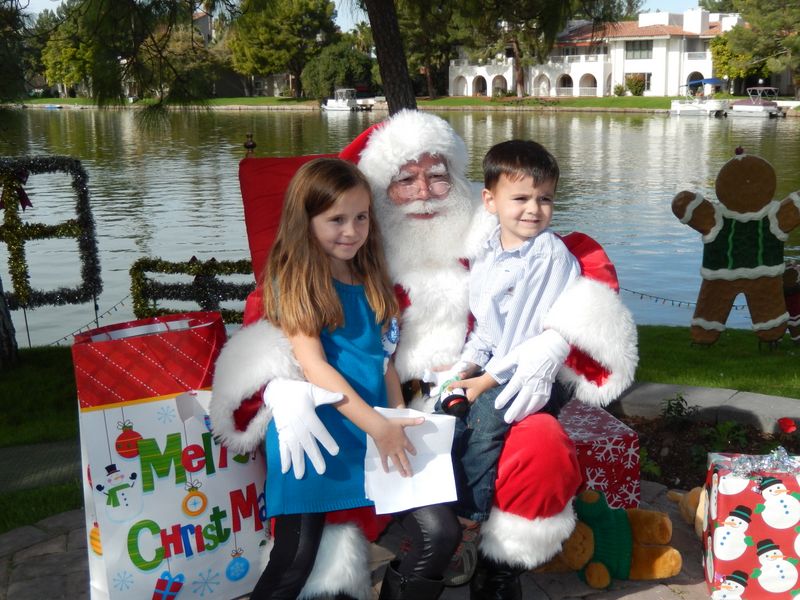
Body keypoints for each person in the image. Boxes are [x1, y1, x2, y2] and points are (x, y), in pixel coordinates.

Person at [211, 110, 638, 599]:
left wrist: (554, 339)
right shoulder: (347, 259)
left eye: (437, 177)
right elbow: (273, 326)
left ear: (460, 184)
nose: (422, 192)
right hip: (365, 417)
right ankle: (339, 572)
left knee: (540, 441)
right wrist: (278, 386)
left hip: (464, 402)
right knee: (304, 561)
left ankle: (499, 567)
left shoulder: (492, 236)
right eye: (404, 180)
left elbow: (578, 263)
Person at [247, 157, 460, 600]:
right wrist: (378, 425)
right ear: (305, 222)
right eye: (336, 220)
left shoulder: (371, 276)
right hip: (317, 440)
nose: (351, 230)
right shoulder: (296, 280)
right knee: (294, 563)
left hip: (376, 432)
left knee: (439, 533)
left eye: (361, 217)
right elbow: (315, 366)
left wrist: (396, 415)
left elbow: (384, 359)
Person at [441, 139, 581, 530]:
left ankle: (469, 522)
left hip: (535, 372)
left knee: (484, 424)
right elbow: (487, 329)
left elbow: (524, 341)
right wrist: (463, 370)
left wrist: (482, 384)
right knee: (443, 412)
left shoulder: (547, 254)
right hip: (496, 363)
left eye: (545, 199)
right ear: (490, 201)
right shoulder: (487, 251)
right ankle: (436, 505)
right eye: (520, 198)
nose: (534, 210)